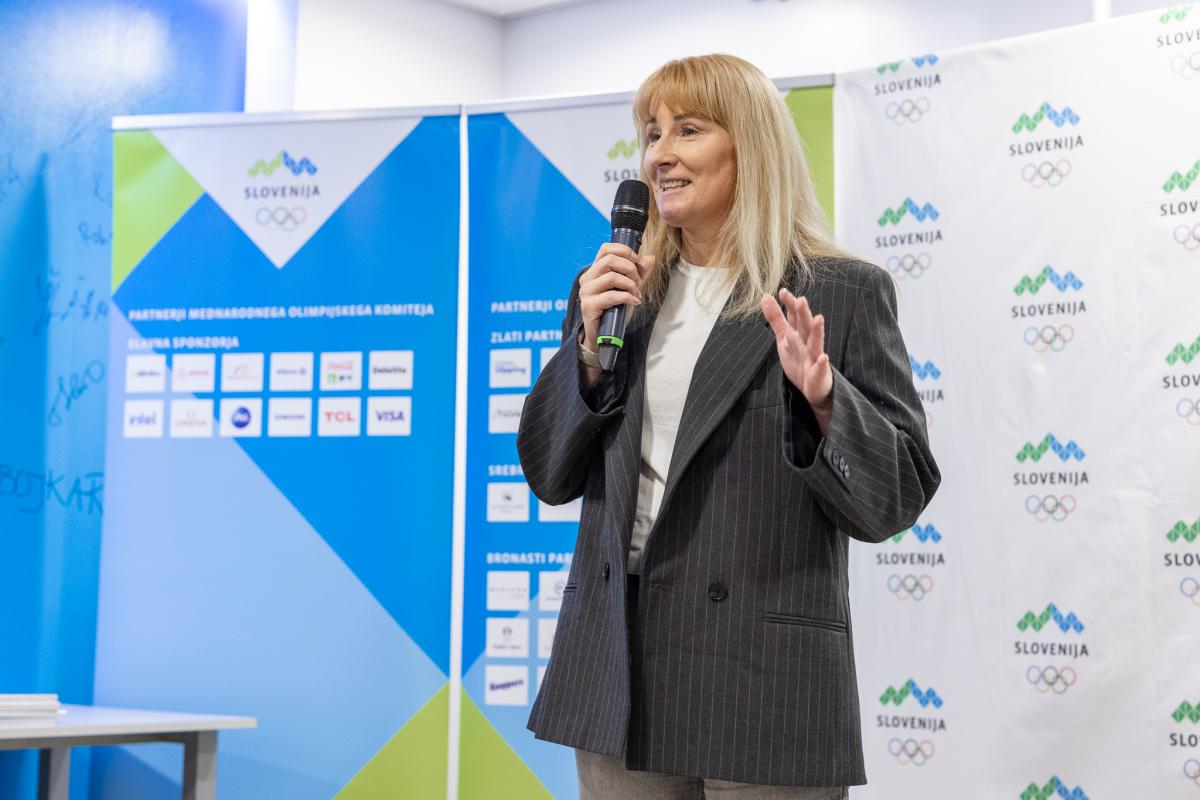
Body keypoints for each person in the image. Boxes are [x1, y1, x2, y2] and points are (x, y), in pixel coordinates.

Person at [517, 53, 939, 799]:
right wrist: (583, 354)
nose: (660, 154)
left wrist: (825, 401)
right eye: (652, 133)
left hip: (762, 676)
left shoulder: (839, 291)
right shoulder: (615, 293)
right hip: (617, 668)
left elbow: (896, 495)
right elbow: (550, 474)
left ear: (751, 147)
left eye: (688, 130)